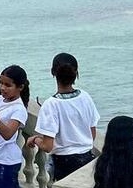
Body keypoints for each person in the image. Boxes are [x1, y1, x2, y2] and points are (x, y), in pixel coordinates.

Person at [33, 52, 100, 181]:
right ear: (76, 73)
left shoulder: (51, 105)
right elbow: (92, 133)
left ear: (53, 73)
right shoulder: (85, 97)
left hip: (64, 163)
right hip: (87, 159)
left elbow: (47, 146)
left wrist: (35, 139)